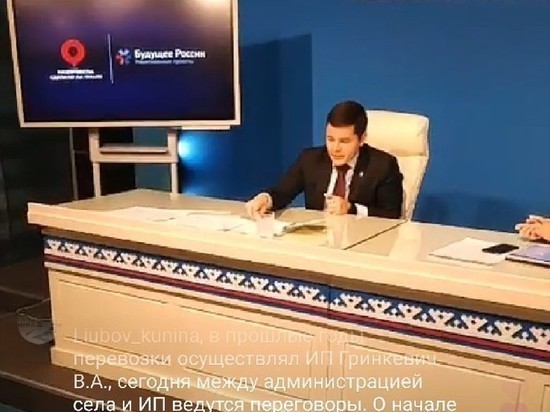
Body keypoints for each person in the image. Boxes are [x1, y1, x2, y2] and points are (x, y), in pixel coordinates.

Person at [245, 100, 404, 219]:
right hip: (317, 241)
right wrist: (266, 199)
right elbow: (282, 192)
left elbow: (392, 215)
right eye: (330, 139)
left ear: (362, 139)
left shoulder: (383, 166)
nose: (335, 148)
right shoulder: (310, 159)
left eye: (344, 141)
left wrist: (351, 209)